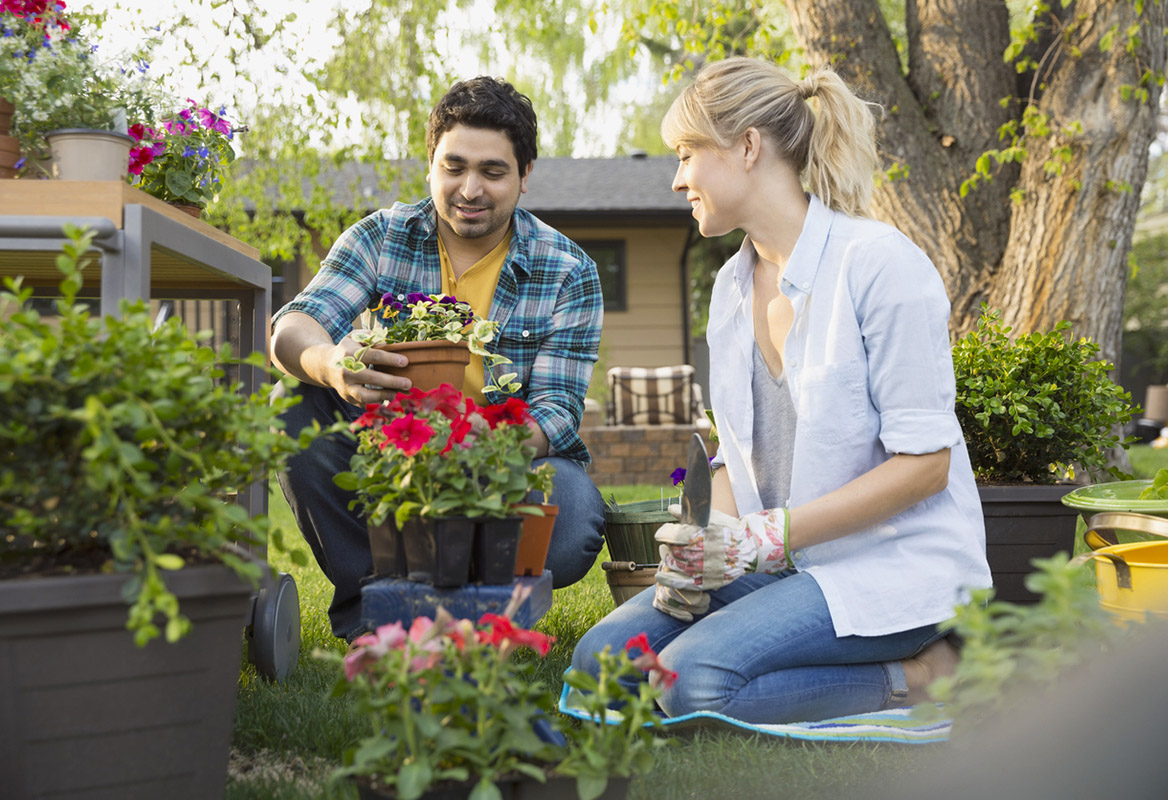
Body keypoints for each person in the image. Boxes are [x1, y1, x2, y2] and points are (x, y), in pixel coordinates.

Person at [571, 57, 992, 723]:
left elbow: (926, 467)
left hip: (890, 567)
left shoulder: (878, 265)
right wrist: (704, 543)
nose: (677, 179)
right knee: (599, 662)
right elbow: (737, 455)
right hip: (782, 568)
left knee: (690, 683)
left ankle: (926, 674)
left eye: (686, 154)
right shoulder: (730, 289)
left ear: (747, 146)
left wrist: (764, 538)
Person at [271, 76, 606, 641]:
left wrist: (472, 451)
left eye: (492, 172)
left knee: (570, 516)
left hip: (501, 462)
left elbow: (556, 411)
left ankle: (466, 601)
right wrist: (330, 365)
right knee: (293, 405)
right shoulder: (381, 237)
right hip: (389, 453)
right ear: (430, 165)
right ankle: (375, 608)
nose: (470, 189)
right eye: (454, 167)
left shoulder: (567, 270)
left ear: (524, 176)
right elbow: (293, 327)